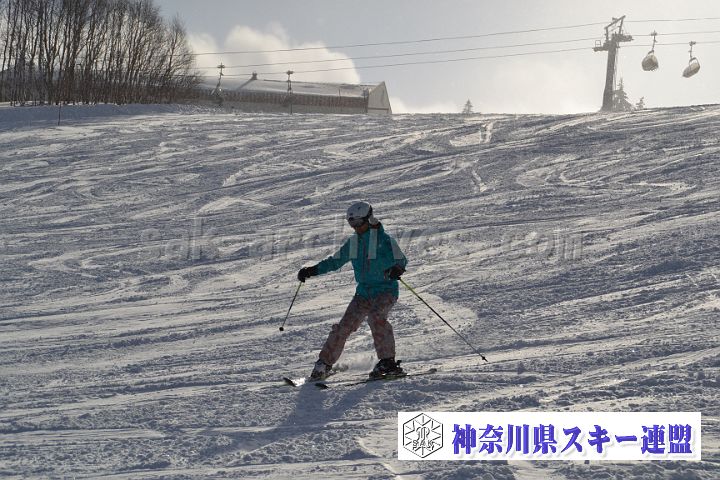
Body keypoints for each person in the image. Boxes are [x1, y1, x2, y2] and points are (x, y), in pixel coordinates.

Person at [297, 201, 408, 380]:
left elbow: (401, 260)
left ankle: (388, 363)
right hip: (363, 293)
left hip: (386, 290)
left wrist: (397, 269)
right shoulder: (354, 243)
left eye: (358, 222)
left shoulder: (384, 240)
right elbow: (335, 261)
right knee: (344, 326)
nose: (355, 227)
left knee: (376, 317)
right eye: (351, 223)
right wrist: (312, 270)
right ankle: (324, 364)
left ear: (369, 219)